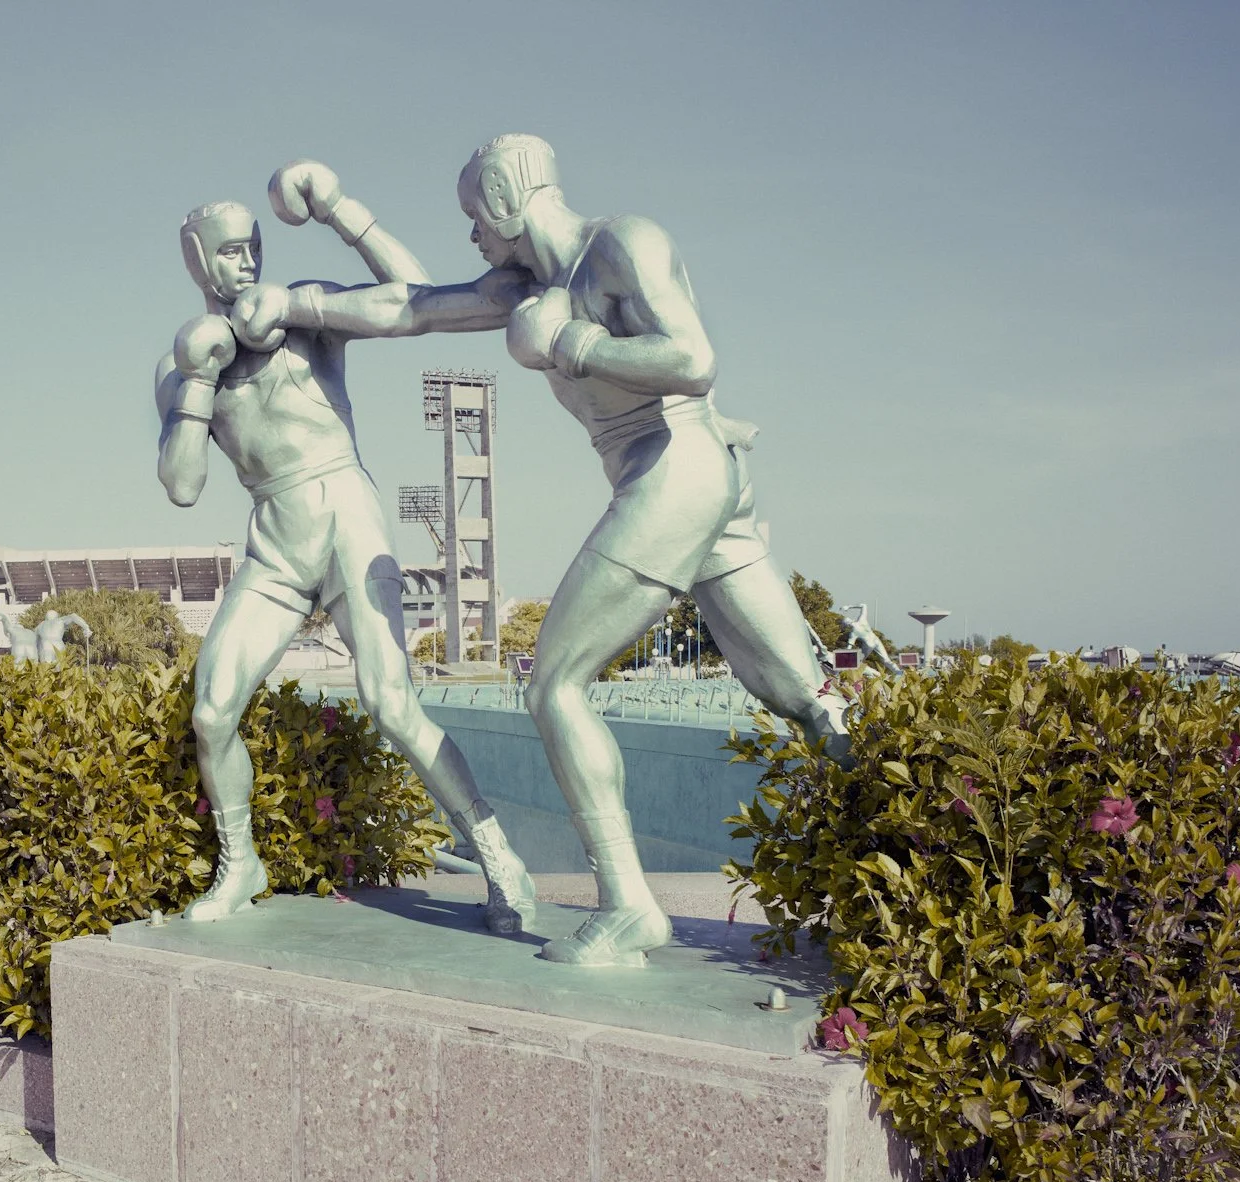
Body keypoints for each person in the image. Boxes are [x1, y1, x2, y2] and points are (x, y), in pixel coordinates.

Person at [236, 135, 849, 967]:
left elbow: (695, 360)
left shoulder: (623, 242)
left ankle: (630, 906)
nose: (473, 236)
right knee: (804, 700)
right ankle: (915, 867)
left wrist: (574, 346)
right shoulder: (534, 284)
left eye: (473, 216)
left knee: (554, 684)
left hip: (677, 474)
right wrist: (304, 290)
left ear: (503, 195)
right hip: (693, 484)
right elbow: (410, 307)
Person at [155, 163, 536, 930]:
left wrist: (337, 209)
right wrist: (198, 384)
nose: (248, 262)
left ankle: (497, 854)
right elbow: (183, 484)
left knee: (392, 702)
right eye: (230, 252)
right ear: (197, 259)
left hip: (344, 508)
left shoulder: (304, 316)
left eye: (254, 247)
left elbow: (420, 300)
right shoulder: (182, 364)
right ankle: (241, 863)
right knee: (212, 709)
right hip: (274, 537)